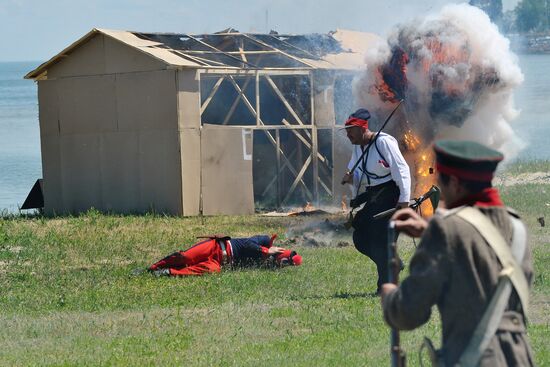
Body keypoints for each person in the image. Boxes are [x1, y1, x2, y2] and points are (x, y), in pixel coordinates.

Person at [381, 140, 535, 366]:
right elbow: (484, 254)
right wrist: (432, 234)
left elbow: (409, 312)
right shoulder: (517, 227)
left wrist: (390, 295)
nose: (439, 188)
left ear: (454, 183)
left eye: (440, 180)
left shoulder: (445, 230)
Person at [341, 108, 411, 294]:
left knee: (383, 241)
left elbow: (401, 170)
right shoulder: (358, 147)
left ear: (363, 128)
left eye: (351, 129)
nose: (348, 134)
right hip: (374, 197)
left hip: (391, 196)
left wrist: (404, 201)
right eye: (347, 130)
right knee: (361, 237)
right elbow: (360, 174)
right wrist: (352, 178)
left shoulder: (384, 142)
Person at [148, 234, 302, 276]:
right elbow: (248, 244)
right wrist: (266, 251)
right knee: (185, 258)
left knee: (205, 270)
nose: (274, 262)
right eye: (283, 261)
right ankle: (152, 268)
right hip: (216, 247)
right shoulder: (265, 241)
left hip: (219, 263)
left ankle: (168, 272)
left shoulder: (267, 267)